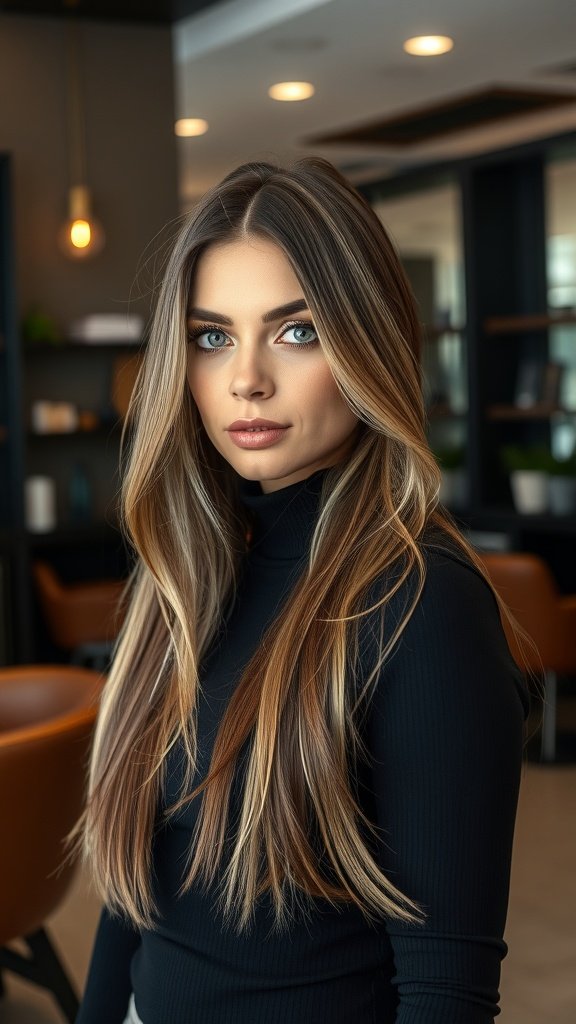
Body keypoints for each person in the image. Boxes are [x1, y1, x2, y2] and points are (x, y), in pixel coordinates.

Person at [75, 157, 528, 1024]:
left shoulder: (420, 603)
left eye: (296, 331)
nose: (246, 377)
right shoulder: (189, 574)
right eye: (213, 336)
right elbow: (136, 898)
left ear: (367, 343)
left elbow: (444, 992)